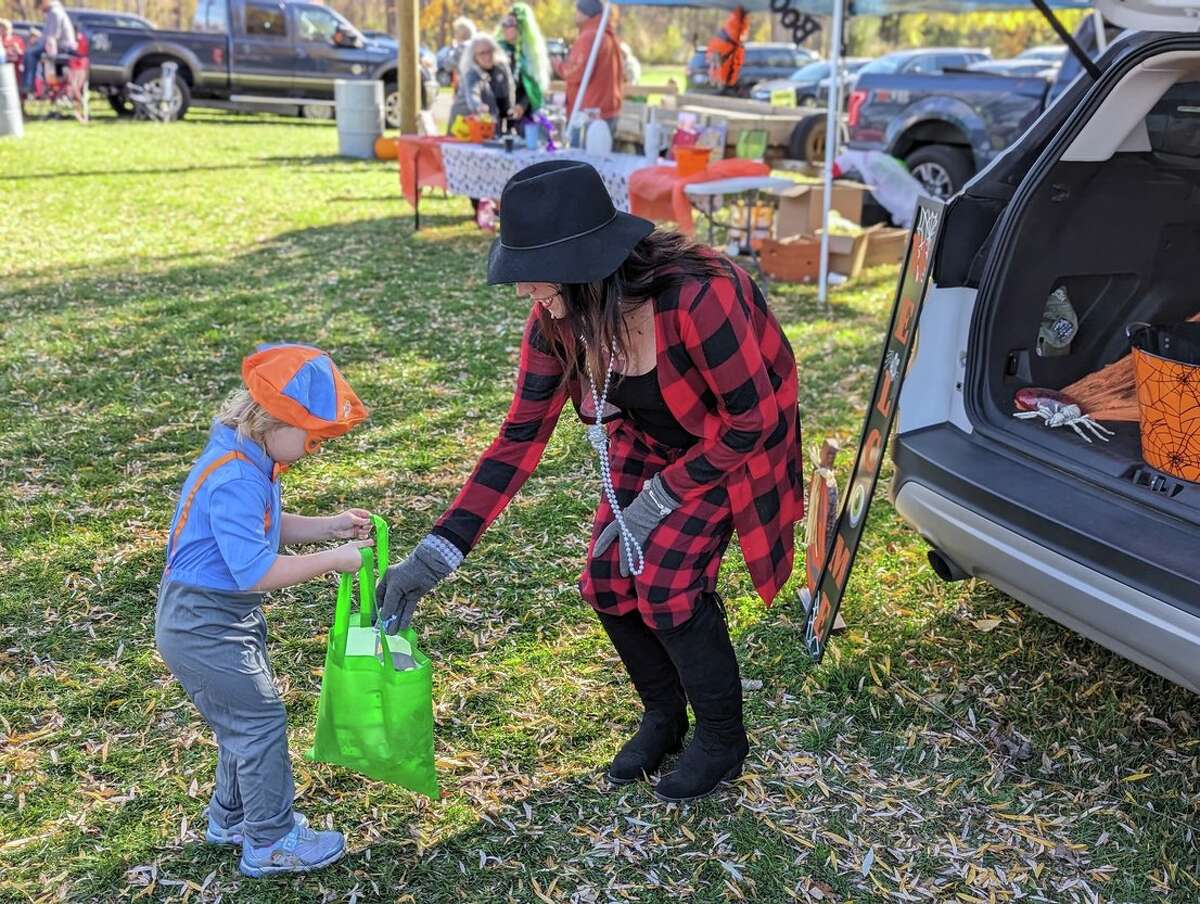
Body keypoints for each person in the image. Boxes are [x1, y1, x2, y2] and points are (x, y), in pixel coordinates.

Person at [376, 161, 804, 803]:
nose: (525, 292)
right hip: (646, 443)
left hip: (729, 445)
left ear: (584, 264)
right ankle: (664, 716)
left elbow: (753, 418)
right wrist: (440, 550)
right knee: (606, 582)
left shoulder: (699, 295)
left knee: (665, 583)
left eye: (532, 274)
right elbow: (520, 437)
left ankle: (722, 738)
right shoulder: (557, 320)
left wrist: (664, 495)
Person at [155, 344, 372, 877]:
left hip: (219, 618)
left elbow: (264, 524)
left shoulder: (248, 459)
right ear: (275, 421)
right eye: (314, 438)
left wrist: (327, 526)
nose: (317, 450)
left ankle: (230, 818)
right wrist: (333, 560)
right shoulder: (236, 476)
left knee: (243, 721)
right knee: (259, 723)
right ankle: (270, 841)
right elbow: (255, 570)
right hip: (204, 623)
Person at [449, 33, 515, 231]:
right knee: (474, 168)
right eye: (482, 53)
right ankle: (480, 209)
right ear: (474, 57)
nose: (487, 56)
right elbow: (473, 96)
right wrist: (480, 107)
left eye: (490, 51)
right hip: (466, 126)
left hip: (488, 128)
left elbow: (506, 99)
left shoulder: (500, 69)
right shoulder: (472, 73)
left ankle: (494, 208)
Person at [557, 0, 624, 145]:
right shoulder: (608, 35)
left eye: (578, 10)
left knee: (581, 162)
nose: (575, 14)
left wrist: (557, 65)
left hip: (588, 114)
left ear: (586, 13)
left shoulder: (589, 36)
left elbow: (575, 72)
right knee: (602, 160)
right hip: (608, 109)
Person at [498, 4, 550, 124]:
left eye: (509, 24)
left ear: (521, 27)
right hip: (501, 112)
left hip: (525, 115)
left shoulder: (529, 54)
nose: (504, 27)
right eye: (503, 23)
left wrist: (522, 105)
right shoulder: (498, 49)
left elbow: (533, 87)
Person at [22, 0, 76, 96]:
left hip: (62, 46)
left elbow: (53, 35)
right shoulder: (54, 12)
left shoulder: (54, 13)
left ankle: (28, 85)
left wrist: (39, 43)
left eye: (40, 6)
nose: (41, 9)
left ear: (45, 2)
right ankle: (28, 84)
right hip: (56, 44)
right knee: (28, 52)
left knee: (30, 54)